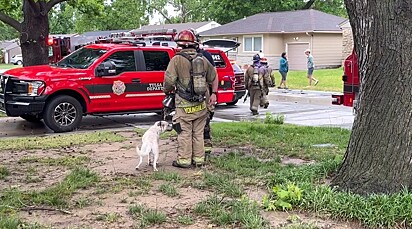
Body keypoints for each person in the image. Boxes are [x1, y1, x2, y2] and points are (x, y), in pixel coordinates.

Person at [163, 29, 217, 168]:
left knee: (184, 132)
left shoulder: (176, 60)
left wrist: (167, 91)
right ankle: (199, 159)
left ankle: (184, 160)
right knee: (198, 133)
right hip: (200, 104)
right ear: (194, 44)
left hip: (183, 105)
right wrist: (213, 93)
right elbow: (213, 77)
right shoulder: (203, 59)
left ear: (180, 45)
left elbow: (169, 81)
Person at [188, 28, 219, 156]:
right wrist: (214, 94)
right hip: (202, 95)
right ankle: (202, 151)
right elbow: (215, 76)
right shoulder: (205, 55)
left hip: (192, 96)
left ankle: (197, 151)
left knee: (197, 123)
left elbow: (214, 76)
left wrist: (214, 93)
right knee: (203, 123)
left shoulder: (179, 56)